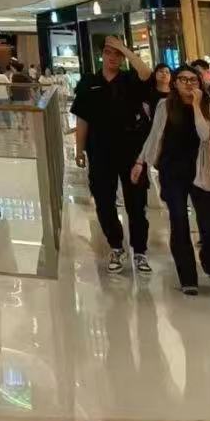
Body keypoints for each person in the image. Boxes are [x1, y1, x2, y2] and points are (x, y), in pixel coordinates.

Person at [72, 37, 154, 273]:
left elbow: (146, 73)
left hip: (131, 150)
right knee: (104, 202)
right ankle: (116, 246)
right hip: (100, 151)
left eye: (117, 54)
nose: (112, 57)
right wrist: (79, 149)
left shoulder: (130, 80)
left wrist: (124, 49)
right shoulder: (89, 82)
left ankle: (140, 250)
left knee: (136, 203)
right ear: (102, 55)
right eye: (108, 52)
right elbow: (82, 119)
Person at [132, 65, 210, 294]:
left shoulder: (209, 106)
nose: (188, 84)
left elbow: (205, 135)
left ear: (200, 83)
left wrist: (197, 105)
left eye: (193, 80)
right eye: (183, 79)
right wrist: (140, 161)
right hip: (172, 171)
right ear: (175, 83)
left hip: (202, 171)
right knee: (179, 221)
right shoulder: (165, 105)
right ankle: (188, 278)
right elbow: (154, 135)